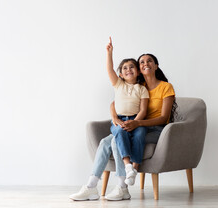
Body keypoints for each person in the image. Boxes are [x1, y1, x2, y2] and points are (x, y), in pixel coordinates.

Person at [69, 47, 176, 201]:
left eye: (149, 61)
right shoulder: (139, 87)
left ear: (156, 66)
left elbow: (164, 117)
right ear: (140, 69)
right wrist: (115, 118)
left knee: (114, 141)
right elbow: (115, 103)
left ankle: (122, 187)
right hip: (134, 125)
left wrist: (138, 122)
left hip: (156, 129)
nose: (146, 64)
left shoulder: (166, 87)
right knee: (104, 142)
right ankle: (91, 186)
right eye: (142, 62)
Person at [105, 37, 149, 187]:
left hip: (137, 120)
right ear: (121, 75)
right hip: (120, 119)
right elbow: (109, 69)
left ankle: (134, 170)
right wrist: (110, 53)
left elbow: (143, 109)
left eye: (131, 67)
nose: (128, 69)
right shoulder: (118, 84)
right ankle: (128, 166)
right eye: (125, 68)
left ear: (138, 72)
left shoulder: (142, 89)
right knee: (120, 132)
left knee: (140, 135)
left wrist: (136, 122)